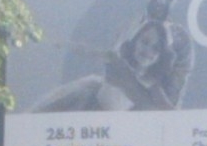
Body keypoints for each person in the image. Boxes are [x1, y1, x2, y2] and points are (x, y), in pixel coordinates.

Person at [31, 19, 172, 113]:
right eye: (145, 42)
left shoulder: (151, 83)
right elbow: (88, 51)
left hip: (109, 123)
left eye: (155, 49)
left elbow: (167, 108)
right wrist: (63, 44)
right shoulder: (117, 61)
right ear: (135, 41)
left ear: (161, 56)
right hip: (86, 106)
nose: (148, 51)